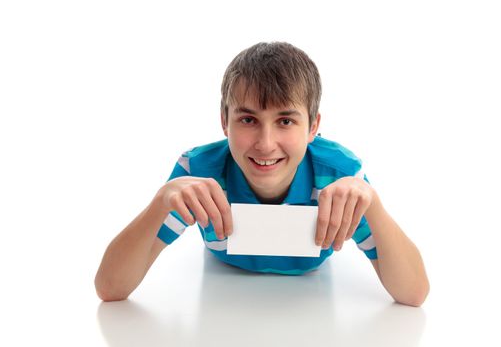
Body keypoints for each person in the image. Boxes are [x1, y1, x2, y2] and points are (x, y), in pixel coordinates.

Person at [95, 42, 429, 306]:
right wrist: (159, 203)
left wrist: (373, 204)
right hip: (221, 306)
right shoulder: (198, 172)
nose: (266, 144)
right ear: (224, 122)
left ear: (313, 127)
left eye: (285, 121)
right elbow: (110, 289)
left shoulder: (339, 175)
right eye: (248, 120)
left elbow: (413, 294)